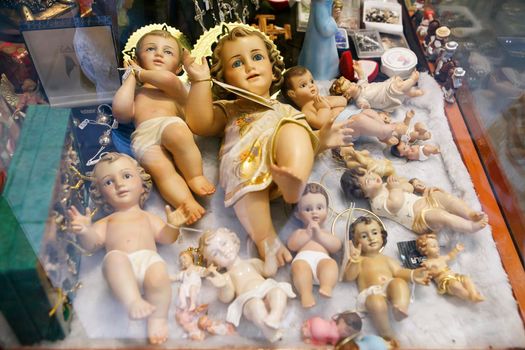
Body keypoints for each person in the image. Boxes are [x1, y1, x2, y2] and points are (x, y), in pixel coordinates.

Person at [184, 25, 354, 264]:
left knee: (295, 130)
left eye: (256, 57)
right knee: (241, 169)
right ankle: (265, 237)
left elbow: (304, 145)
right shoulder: (231, 109)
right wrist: (200, 80)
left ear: (274, 71)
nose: (249, 66)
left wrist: (321, 142)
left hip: (283, 172)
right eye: (236, 63)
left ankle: (294, 182)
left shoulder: (286, 110)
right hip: (248, 166)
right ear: (223, 79)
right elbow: (198, 122)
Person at [67, 152, 185, 344]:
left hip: (148, 260)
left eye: (126, 176)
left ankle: (158, 318)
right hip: (122, 268)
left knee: (158, 274)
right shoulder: (108, 221)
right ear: (100, 193)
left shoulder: (148, 217)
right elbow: (93, 244)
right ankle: (133, 301)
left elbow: (166, 238)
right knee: (114, 259)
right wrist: (85, 230)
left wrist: (173, 226)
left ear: (142, 181)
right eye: (108, 182)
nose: (119, 184)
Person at [112, 29, 215, 225]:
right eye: (151, 49)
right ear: (137, 58)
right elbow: (121, 112)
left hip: (169, 123)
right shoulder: (137, 92)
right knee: (161, 171)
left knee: (178, 135)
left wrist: (141, 72)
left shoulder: (175, 86)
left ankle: (195, 176)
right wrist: (131, 77)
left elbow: (167, 80)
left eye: (168, 52)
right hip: (143, 136)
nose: (159, 54)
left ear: (178, 68)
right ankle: (186, 202)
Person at [200, 227, 296, 342]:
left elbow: (269, 271)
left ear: (234, 241)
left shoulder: (253, 262)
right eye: (215, 253)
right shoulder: (227, 276)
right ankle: (269, 331)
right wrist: (223, 285)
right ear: (215, 263)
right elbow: (227, 297)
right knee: (255, 306)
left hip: (266, 288)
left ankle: (275, 315)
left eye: (224, 243)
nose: (223, 251)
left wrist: (270, 256)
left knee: (278, 292)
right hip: (248, 298)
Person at [343, 216, 430, 341]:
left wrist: (413, 274)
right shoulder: (360, 260)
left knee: (399, 282)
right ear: (356, 243)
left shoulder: (387, 259)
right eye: (364, 236)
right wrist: (354, 260)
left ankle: (400, 308)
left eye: (374, 233)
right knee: (375, 301)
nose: (371, 238)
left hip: (390, 289)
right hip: (371, 294)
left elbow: (399, 272)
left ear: (382, 236)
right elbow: (348, 277)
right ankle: (386, 332)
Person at [340, 169, 489, 234]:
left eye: (369, 173)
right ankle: (469, 226)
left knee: (443, 197)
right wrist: (396, 188)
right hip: (420, 218)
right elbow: (395, 204)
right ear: (364, 194)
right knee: (442, 216)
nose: (373, 177)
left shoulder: (386, 185)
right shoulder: (376, 204)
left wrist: (405, 185)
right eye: (367, 181)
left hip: (424, 202)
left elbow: (408, 189)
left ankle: (469, 213)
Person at [287, 183, 342, 307]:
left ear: (326, 211)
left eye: (319, 208)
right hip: (303, 260)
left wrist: (319, 235)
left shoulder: (325, 233)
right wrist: (307, 234)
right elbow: (292, 245)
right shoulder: (300, 232)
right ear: (298, 214)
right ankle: (306, 294)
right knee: (299, 267)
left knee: (331, 264)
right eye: (308, 209)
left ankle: (326, 286)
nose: (314, 212)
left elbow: (336, 246)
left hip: (322, 260)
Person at [329, 62, 424, 112]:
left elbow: (363, 77)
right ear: (347, 96)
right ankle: (412, 80)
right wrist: (366, 108)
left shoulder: (359, 85)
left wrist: (359, 69)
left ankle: (411, 92)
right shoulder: (360, 100)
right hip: (386, 97)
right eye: (349, 86)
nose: (352, 83)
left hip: (384, 87)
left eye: (349, 82)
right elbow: (367, 110)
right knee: (397, 87)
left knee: (397, 83)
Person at [415, 234, 484, 302]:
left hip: (454, 276)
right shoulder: (428, 262)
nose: (438, 248)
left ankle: (474, 294)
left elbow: (450, 256)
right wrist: (426, 267)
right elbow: (425, 272)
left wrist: (456, 249)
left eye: (437, 246)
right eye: (434, 246)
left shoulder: (441, 258)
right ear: (425, 250)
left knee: (466, 278)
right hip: (445, 281)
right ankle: (469, 297)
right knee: (456, 285)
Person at [282, 66, 348, 129]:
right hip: (343, 124)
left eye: (312, 81)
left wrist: (330, 103)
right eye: (303, 85)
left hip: (349, 115)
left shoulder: (321, 99)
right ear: (292, 94)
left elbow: (344, 101)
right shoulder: (306, 111)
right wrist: (323, 108)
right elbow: (321, 124)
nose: (311, 86)